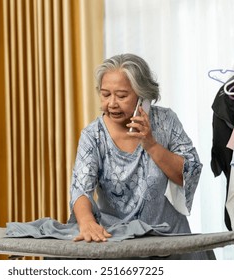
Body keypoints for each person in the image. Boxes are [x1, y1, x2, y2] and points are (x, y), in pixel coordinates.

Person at [68, 53, 207, 259]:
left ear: (143, 96)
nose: (112, 104)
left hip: (167, 235)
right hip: (116, 237)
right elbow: (80, 188)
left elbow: (188, 173)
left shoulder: (166, 120)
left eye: (122, 96)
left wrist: (151, 144)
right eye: (105, 95)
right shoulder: (93, 136)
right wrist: (87, 223)